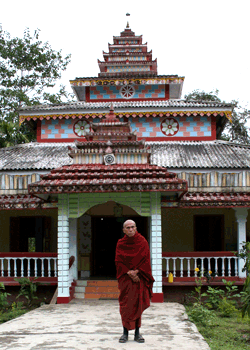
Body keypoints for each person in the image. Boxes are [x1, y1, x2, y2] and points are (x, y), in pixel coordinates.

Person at [115, 219, 155, 343]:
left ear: (136, 228)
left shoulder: (142, 242)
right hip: (126, 278)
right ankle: (125, 333)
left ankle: (137, 333)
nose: (131, 229)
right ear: (124, 230)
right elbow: (118, 261)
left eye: (132, 227)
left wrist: (137, 271)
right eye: (128, 227)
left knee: (138, 304)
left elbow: (146, 260)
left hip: (139, 278)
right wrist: (129, 272)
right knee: (126, 305)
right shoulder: (120, 243)